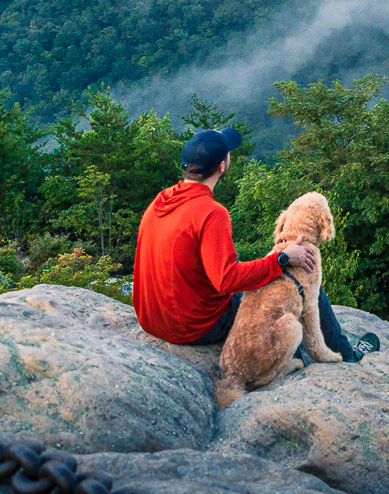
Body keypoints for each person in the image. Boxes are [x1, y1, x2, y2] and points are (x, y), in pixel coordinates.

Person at [132, 127, 374, 361]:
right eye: (228, 153)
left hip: (151, 319)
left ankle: (295, 354)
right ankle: (346, 357)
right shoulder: (211, 213)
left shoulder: (163, 199)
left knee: (273, 286)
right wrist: (282, 259)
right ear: (222, 165)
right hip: (192, 327)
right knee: (299, 281)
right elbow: (227, 280)